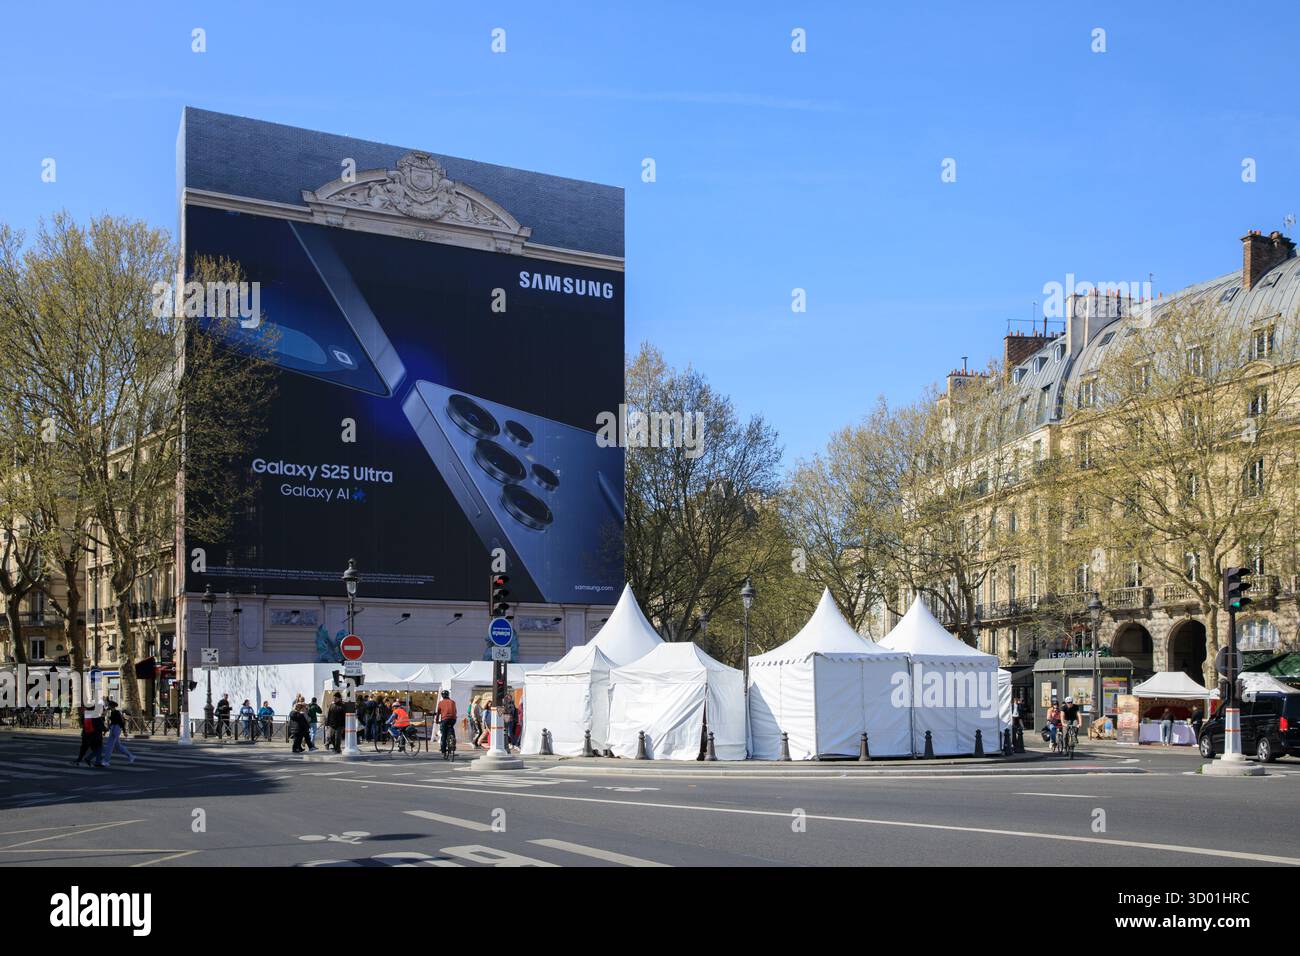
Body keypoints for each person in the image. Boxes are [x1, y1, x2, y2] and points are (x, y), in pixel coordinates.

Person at [101, 699, 136, 767]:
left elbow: (121, 722)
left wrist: (124, 731)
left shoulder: (117, 713)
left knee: (110, 745)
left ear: (111, 706)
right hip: (114, 728)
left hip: (116, 729)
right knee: (118, 746)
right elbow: (112, 722)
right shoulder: (112, 712)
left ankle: (106, 761)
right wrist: (106, 730)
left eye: (108, 706)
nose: (107, 707)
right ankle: (131, 756)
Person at [435, 689, 458, 754]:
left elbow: (438, 713)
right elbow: (455, 711)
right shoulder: (453, 702)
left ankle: (443, 750)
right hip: (453, 719)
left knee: (444, 734)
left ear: (442, 696)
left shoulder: (441, 703)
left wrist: (436, 721)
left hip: (445, 719)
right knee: (451, 728)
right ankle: (452, 740)